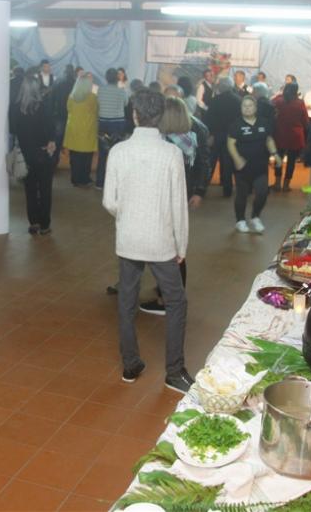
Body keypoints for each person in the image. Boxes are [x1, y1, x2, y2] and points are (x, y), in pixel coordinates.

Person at [102, 88, 194, 394]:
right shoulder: (171, 154)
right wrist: (181, 246)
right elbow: (178, 205)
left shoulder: (118, 151)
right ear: (161, 117)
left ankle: (130, 364)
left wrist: (128, 214)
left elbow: (109, 201)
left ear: (134, 114)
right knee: (177, 301)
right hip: (161, 241)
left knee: (127, 300)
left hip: (128, 238)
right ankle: (175, 371)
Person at [137, 92, 211, 315]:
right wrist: (199, 191)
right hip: (181, 196)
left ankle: (167, 301)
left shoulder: (164, 141)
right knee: (174, 246)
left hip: (165, 198)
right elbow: (204, 164)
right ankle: (168, 291)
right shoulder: (196, 132)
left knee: (169, 250)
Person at [11, 74, 58, 235]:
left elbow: (12, 129)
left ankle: (34, 222)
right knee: (45, 189)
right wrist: (51, 142)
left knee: (30, 189)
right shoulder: (42, 106)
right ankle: (45, 224)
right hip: (43, 152)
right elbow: (51, 128)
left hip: (26, 154)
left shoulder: (16, 108)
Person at [228, 95, 280, 234]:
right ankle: (240, 220)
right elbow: (231, 143)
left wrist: (275, 154)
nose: (247, 108)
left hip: (260, 166)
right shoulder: (236, 124)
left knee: (262, 192)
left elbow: (269, 140)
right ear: (241, 108)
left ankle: (255, 216)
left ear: (255, 108)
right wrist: (237, 158)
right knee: (242, 194)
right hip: (242, 167)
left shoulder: (264, 123)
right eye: (244, 106)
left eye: (250, 105)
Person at [204, 77, 242, 198]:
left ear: (221, 87)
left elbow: (208, 119)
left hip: (215, 135)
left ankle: (203, 188)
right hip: (231, 137)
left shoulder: (215, 100)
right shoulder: (238, 100)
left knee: (210, 162)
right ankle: (227, 190)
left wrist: (210, 134)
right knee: (227, 164)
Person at [95, 68, 130, 190]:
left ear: (106, 78)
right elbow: (125, 104)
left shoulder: (101, 90)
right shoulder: (122, 91)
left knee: (102, 154)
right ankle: (115, 185)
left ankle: (99, 183)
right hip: (117, 125)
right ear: (117, 78)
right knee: (117, 155)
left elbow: (98, 103)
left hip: (103, 124)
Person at [271, 82, 308, 191]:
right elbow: (305, 121)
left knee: (278, 159)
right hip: (295, 136)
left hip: (280, 134)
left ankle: (277, 183)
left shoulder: (278, 101)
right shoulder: (300, 103)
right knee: (291, 161)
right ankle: (286, 185)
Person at [64, 73, 99, 187]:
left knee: (74, 157)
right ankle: (84, 179)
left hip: (73, 129)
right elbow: (96, 111)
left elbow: (68, 109)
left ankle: (75, 179)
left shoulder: (71, 96)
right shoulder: (92, 97)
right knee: (86, 157)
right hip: (87, 130)